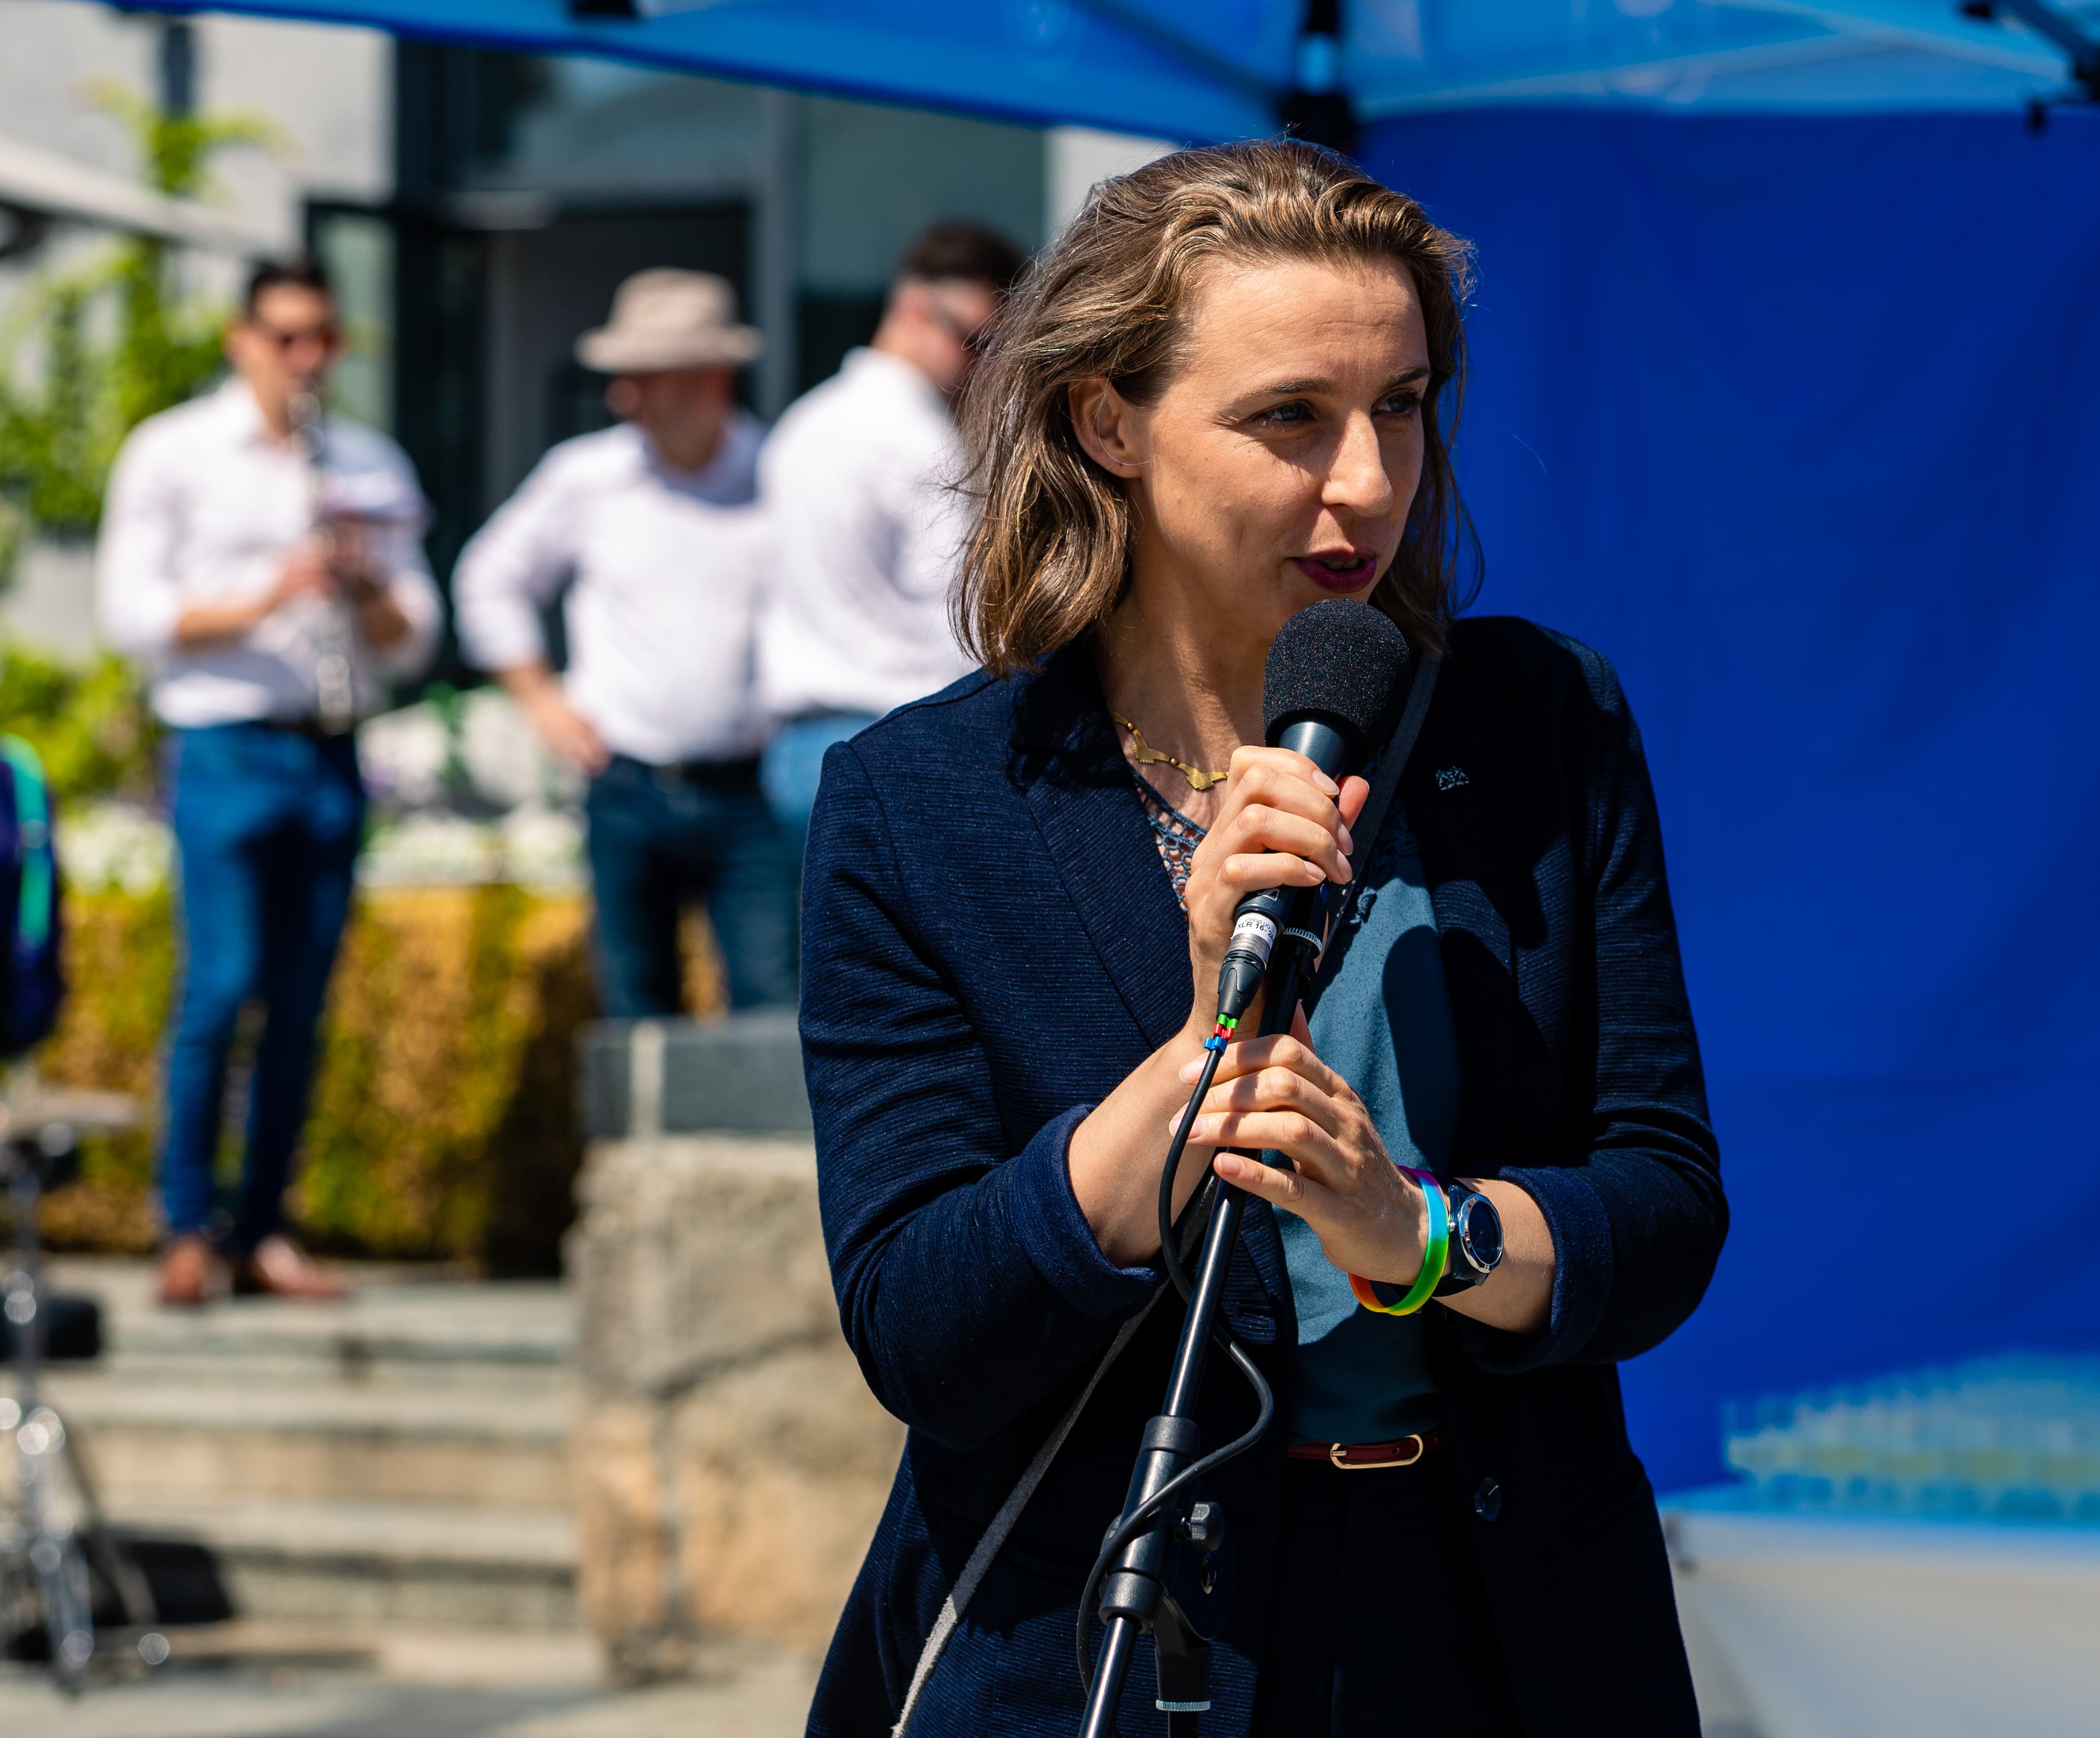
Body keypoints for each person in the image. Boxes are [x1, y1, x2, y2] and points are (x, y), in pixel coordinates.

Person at [800, 143, 1724, 1734]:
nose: (1364, 479)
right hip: (1106, 1632)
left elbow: (1659, 1210)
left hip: (1498, 1619)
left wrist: (1418, 1233)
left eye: (1402, 405)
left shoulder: (1536, 720)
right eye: (1290, 416)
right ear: (1107, 422)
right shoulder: (920, 801)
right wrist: (1196, 1057)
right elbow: (921, 1332)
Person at [99, 255, 443, 1308]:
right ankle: (183, 1226)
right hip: (223, 743)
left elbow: (415, 638)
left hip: (330, 746)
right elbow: (132, 614)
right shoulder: (175, 451)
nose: (305, 359)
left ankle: (264, 1230)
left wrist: (361, 578)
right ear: (241, 340)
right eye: (285, 337)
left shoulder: (368, 462)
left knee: (300, 1001)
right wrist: (270, 591)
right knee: (220, 984)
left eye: (322, 338)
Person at [454, 269, 793, 1019]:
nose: (621, 396)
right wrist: (541, 701)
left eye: (645, 377)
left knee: (771, 1015)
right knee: (636, 1017)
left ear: (711, 378)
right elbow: (488, 577)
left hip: (752, 790)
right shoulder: (587, 476)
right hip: (625, 784)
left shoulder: (780, 476)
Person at [756, 222, 1025, 849]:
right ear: (913, 308)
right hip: (894, 742)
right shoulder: (920, 443)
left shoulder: (801, 422)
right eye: (976, 341)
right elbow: (961, 621)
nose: (982, 365)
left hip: (794, 751)